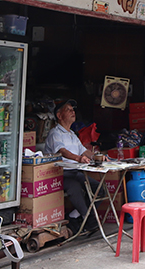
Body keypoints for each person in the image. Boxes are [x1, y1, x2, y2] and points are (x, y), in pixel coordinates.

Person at [44, 99, 101, 234]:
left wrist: (96, 157)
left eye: (73, 110)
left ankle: (76, 216)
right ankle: (88, 220)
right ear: (59, 115)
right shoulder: (55, 133)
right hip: (59, 174)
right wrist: (78, 158)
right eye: (68, 110)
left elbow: (83, 150)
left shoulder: (72, 135)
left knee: (98, 188)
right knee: (74, 187)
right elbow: (62, 151)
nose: (72, 112)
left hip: (74, 171)